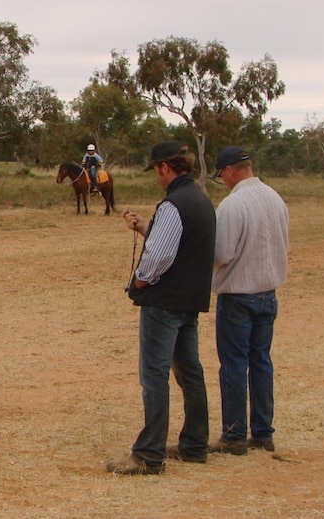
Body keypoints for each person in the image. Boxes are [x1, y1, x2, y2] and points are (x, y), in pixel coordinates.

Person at [107, 140, 215, 475]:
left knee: (154, 377)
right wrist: (144, 227)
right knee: (190, 373)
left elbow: (160, 255)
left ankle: (149, 455)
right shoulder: (202, 201)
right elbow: (178, 243)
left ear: (165, 168)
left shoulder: (172, 205)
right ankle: (195, 444)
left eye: (156, 170)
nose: (157, 176)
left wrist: (139, 281)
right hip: (189, 302)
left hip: (163, 303)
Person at [208, 146, 289, 456]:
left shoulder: (232, 205)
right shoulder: (275, 199)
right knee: (261, 363)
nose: (223, 181)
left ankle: (233, 435)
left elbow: (221, 253)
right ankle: (263, 432)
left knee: (233, 366)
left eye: (222, 176)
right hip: (268, 294)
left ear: (229, 171)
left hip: (238, 297)